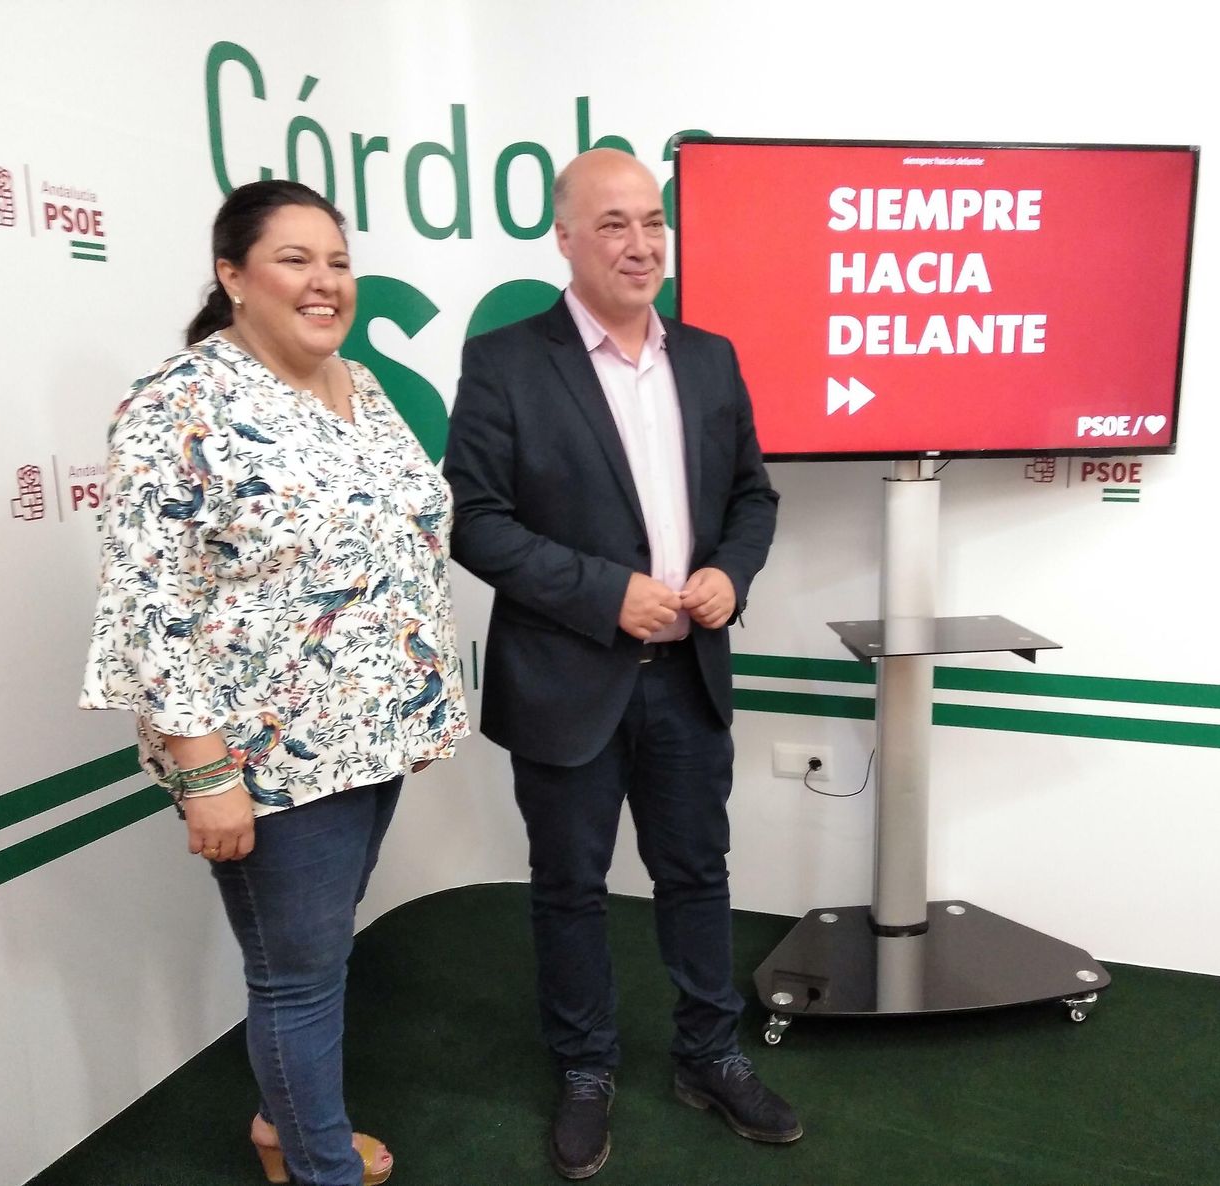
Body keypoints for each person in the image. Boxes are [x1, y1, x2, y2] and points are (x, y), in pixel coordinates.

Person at [80, 180, 467, 1186]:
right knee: (297, 978)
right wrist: (203, 768)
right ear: (232, 275)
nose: (324, 280)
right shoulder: (179, 404)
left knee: (317, 956)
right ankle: (318, 1162)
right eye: (294, 259)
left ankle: (278, 1122)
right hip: (263, 757)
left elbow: (398, 546)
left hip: (368, 734)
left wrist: (417, 693)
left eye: (336, 260)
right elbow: (148, 594)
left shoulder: (357, 385)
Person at [443, 148, 795, 1180]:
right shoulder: (508, 360)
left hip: (689, 672)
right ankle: (586, 1071)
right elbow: (470, 518)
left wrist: (731, 570)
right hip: (566, 678)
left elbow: (751, 498)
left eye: (652, 221)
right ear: (563, 235)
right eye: (612, 223)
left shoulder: (711, 357)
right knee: (569, 887)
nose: (640, 243)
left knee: (697, 873)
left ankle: (709, 1053)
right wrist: (607, 593)